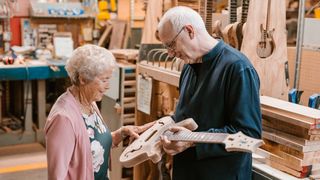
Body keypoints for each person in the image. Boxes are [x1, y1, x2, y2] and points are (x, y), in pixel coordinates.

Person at [156, 6, 262, 179]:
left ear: (189, 31)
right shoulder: (188, 68)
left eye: (171, 44)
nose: (169, 53)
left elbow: (248, 134)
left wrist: (192, 141)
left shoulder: (237, 68)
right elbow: (186, 118)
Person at [44, 44, 153, 180]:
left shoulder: (90, 103)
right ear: (83, 79)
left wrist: (121, 133)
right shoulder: (63, 119)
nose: (108, 85)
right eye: (104, 80)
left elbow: (93, 145)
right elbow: (57, 176)